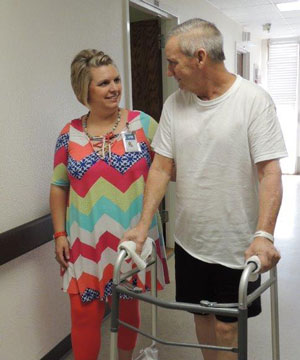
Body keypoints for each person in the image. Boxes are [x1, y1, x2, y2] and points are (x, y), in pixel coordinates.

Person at [121, 18, 287, 360]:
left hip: (237, 242)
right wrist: (141, 226)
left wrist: (264, 234)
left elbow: (270, 171)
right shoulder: (174, 105)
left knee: (227, 327)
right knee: (200, 315)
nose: (169, 72)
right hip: (190, 240)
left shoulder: (254, 101)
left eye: (173, 63)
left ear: (200, 58)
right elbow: (161, 167)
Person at [50, 49, 169, 360]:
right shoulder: (69, 134)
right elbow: (59, 186)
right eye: (103, 83)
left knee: (127, 307)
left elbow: (166, 171)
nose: (114, 88)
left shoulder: (142, 124)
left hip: (132, 235)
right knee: (84, 312)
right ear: (84, 90)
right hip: (84, 239)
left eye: (116, 80)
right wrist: (59, 234)